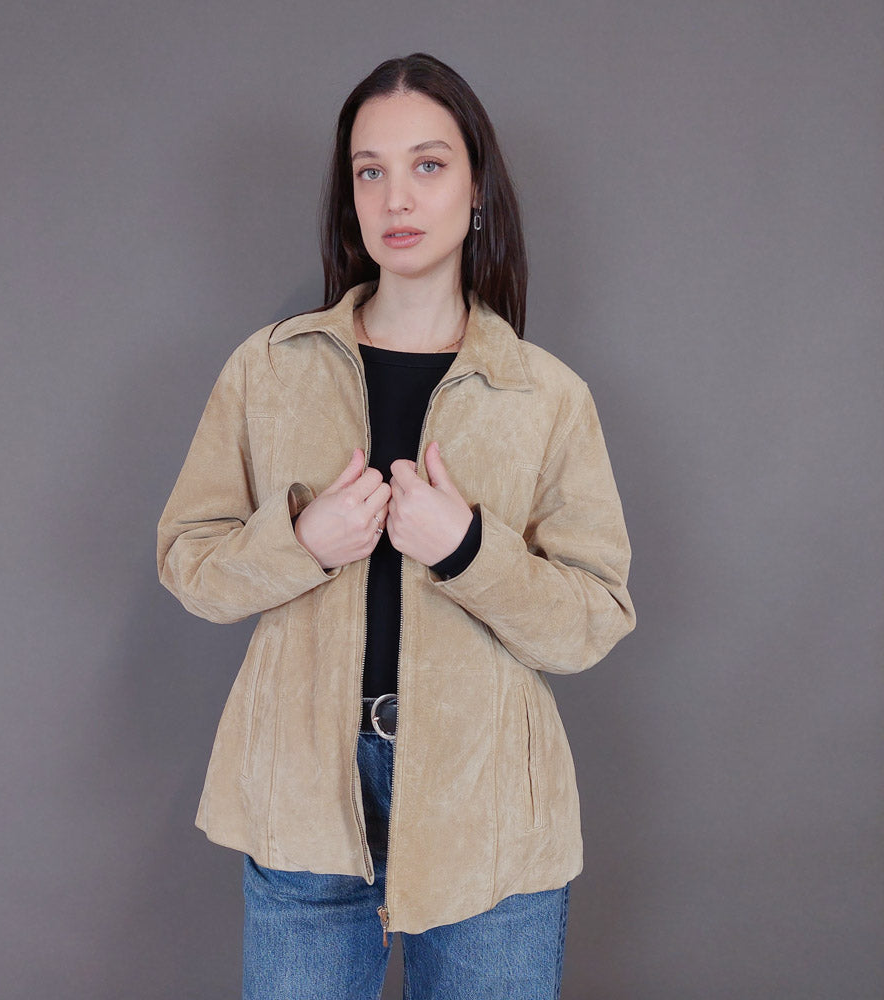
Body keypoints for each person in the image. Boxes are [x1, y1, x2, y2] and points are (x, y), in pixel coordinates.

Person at [157, 52, 635, 1000]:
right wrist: (299, 544)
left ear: (477, 187)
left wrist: (469, 551)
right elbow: (189, 563)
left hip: (487, 811)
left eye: (428, 164)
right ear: (350, 195)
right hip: (304, 799)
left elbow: (592, 620)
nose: (396, 197)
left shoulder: (545, 396)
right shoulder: (269, 368)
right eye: (370, 170)